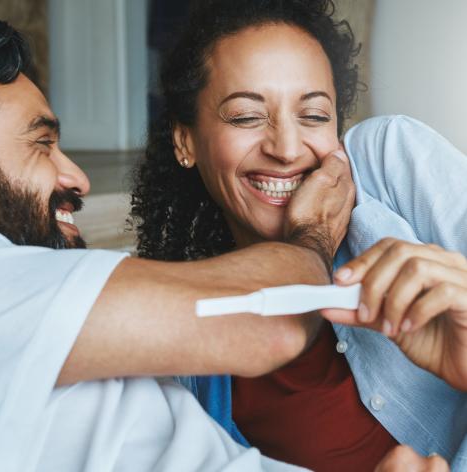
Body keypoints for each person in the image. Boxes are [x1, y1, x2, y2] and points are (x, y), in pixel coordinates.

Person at [0, 13, 377, 472]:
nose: (78, 177)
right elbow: (267, 323)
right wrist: (312, 238)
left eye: (312, 113)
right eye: (42, 145)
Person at [130, 0, 467, 471]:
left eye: (313, 116)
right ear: (185, 141)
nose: (287, 149)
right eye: (247, 117)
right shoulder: (192, 347)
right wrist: (310, 241)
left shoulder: (390, 161)